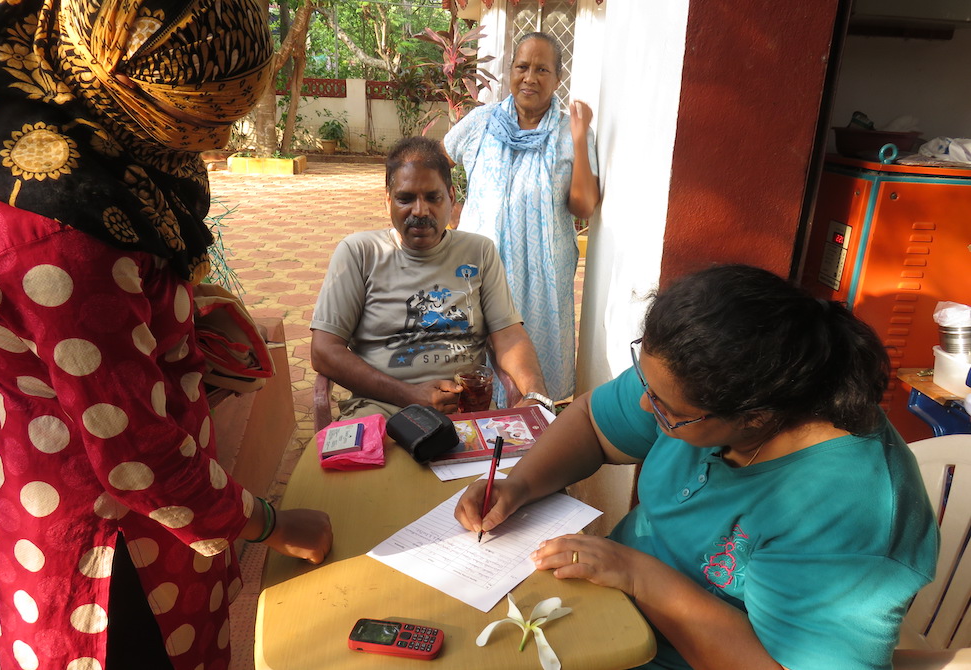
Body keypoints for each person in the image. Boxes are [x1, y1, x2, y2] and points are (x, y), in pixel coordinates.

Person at [0, 2, 332, 669]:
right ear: (128, 92)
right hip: (109, 560)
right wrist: (275, 526)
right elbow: (140, 461)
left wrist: (173, 321)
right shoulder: (63, 240)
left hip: (132, 517)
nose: (219, 143)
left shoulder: (63, 104)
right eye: (204, 121)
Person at [455, 264, 939, 670]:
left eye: (667, 409)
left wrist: (639, 575)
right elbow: (592, 422)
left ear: (758, 417)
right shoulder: (702, 377)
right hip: (606, 612)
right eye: (645, 382)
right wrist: (518, 485)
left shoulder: (848, 514)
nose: (646, 407)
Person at [311, 136, 554, 419]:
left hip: (465, 409)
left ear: (451, 197)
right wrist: (410, 395)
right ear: (388, 200)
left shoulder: (479, 252)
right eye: (405, 198)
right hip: (380, 410)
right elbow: (324, 351)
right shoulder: (359, 253)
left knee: (513, 463)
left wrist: (535, 394)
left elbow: (508, 335)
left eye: (432, 197)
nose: (420, 211)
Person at [444, 31, 600, 403]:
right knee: (469, 369)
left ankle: (530, 432)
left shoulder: (570, 133)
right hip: (478, 270)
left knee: (534, 366)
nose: (530, 77)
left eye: (542, 69)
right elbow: (435, 162)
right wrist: (451, 213)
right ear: (510, 71)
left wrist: (579, 139)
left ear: (558, 79)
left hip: (542, 278)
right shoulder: (482, 122)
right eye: (522, 67)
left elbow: (584, 207)